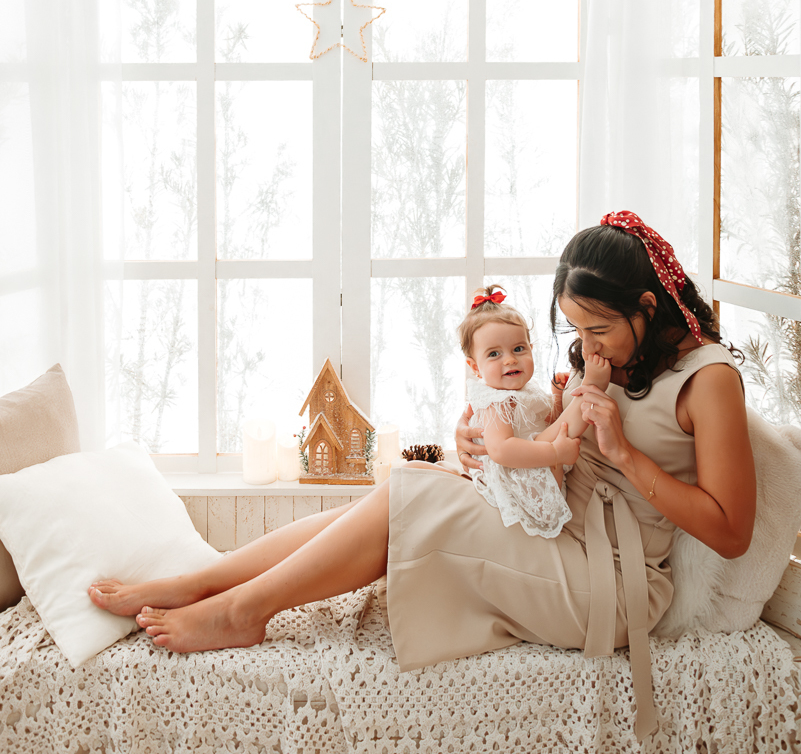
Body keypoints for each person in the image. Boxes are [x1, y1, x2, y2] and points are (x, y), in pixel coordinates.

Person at [88, 211, 756, 741]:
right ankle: (205, 578)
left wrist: (627, 457)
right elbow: (560, 433)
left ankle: (241, 610)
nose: (586, 346)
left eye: (598, 329)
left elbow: (729, 531)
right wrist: (482, 443)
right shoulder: (609, 353)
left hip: (606, 577)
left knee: (410, 496)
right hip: (549, 519)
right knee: (407, 487)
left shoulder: (709, 379)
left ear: (646, 305)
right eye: (575, 330)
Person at [460, 284, 610, 536]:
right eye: (494, 354)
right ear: (475, 368)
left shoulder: (525, 391)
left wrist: (556, 396)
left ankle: (588, 393)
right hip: (518, 477)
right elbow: (500, 449)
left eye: (519, 349)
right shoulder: (495, 401)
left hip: (536, 468)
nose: (509, 359)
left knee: (555, 428)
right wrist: (553, 452)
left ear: (531, 348)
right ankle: (591, 389)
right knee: (557, 432)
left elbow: (548, 421)